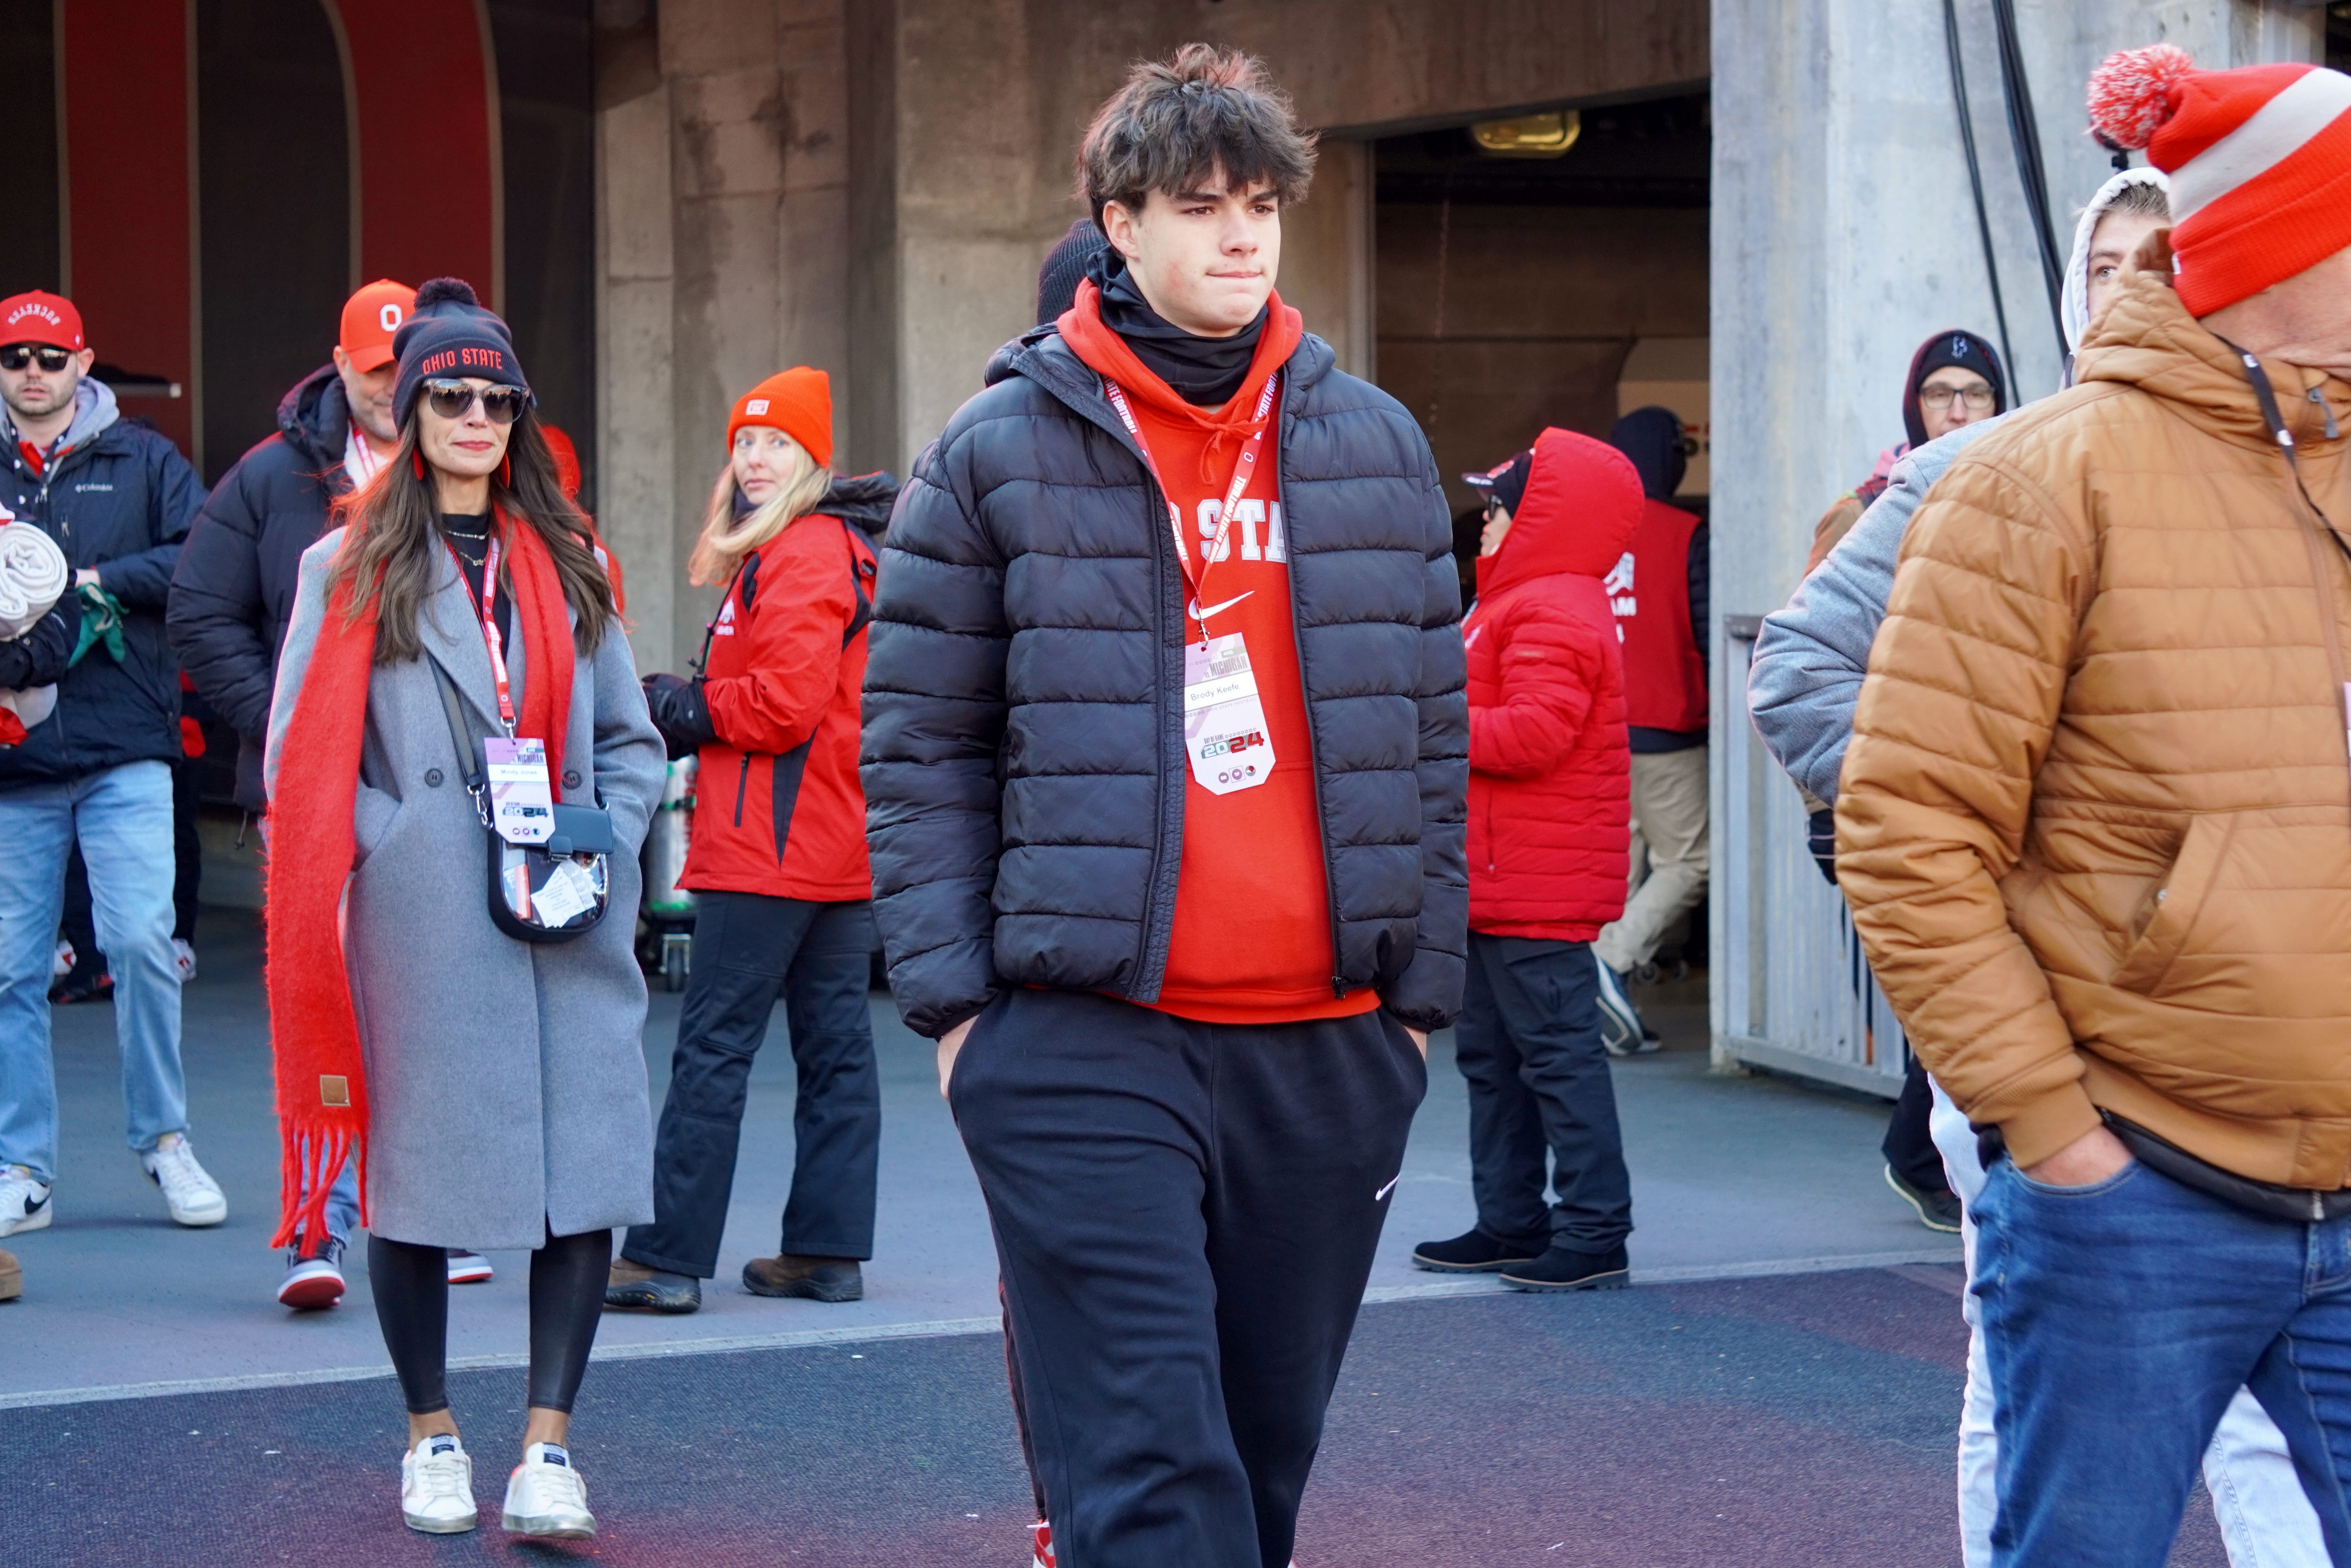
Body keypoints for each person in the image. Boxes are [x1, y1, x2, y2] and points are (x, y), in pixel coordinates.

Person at [863, 45, 1465, 1568]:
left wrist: (1413, 1010)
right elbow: (919, 741)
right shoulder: (995, 450)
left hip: (1328, 1045)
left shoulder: (1373, 444)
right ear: (1119, 226)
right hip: (1084, 1039)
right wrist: (960, 1018)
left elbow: (1431, 734)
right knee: (1148, 1470)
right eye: (1200, 206)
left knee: (1255, 1476)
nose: (1241, 236)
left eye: (1260, 204)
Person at [1751, 163, 2325, 1568]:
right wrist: (2024, 843)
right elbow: (1814, 688)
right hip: (2064, 1055)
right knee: (2029, 1415)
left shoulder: (2298, 473)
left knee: (2260, 1449)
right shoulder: (1990, 469)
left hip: (2287, 1091)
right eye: (2106, 263)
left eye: (2155, 257)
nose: (2130, 285)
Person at [263, 277, 661, 1538]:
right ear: (411, 410)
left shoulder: (572, 561)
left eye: (497, 400)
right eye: (452, 398)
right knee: (418, 1183)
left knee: (583, 1173)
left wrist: (608, 840)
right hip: (427, 917)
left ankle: (548, 1450)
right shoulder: (347, 564)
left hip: (569, 905)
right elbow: (299, 760)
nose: (476, 418)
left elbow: (631, 741)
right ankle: (431, 1433)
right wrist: (398, 845)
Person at [168, 278, 505, 1311]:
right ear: (343, 368)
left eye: (406, 375)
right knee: (327, 1003)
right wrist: (291, 719)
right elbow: (199, 609)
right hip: (323, 801)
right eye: (374, 373)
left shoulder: (479, 472)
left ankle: (434, 1212)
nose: (391, 390)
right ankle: (320, 1225)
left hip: (452, 802)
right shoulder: (274, 477)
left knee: (438, 1011)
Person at [605, 368, 893, 1314]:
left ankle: (665, 1260)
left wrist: (679, 705)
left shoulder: (801, 550)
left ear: (814, 458)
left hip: (770, 848)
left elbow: (781, 705)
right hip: (830, 845)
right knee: (836, 1052)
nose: (755, 458)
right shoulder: (826, 546)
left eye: (777, 442)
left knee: (714, 1051)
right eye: (744, 442)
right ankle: (824, 1252)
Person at [0, 289, 224, 1238]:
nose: (33, 371)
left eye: (51, 357)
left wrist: (89, 580)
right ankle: (22, 1166)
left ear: (83, 364)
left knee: (139, 942)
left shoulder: (146, 458)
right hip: (13, 759)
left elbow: (199, 560)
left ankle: (165, 1140)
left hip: (125, 744)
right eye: (16, 356)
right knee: (9, 969)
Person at [1411, 428, 1637, 1291]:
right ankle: (1509, 1221)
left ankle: (1593, 1231)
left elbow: (1536, 734)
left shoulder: (1550, 607)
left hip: (1533, 887)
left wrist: (1428, 722)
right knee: (1494, 1062)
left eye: (1499, 505)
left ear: (1542, 516)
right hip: (1498, 880)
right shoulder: (1517, 600)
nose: (1484, 518)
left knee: (1556, 1061)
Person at [1590, 405, 1708, 1052]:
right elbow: (1706, 630)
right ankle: (1608, 962)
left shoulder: (1592, 530)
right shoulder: (1688, 534)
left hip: (1598, 729)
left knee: (1621, 870)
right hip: (1668, 727)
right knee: (1690, 860)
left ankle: (1606, 1014)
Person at [1806, 328, 2006, 573]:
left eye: (1976, 395)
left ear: (1998, 408)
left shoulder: (2024, 510)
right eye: (1939, 394)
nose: (1958, 414)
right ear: (1915, 406)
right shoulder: (1859, 515)